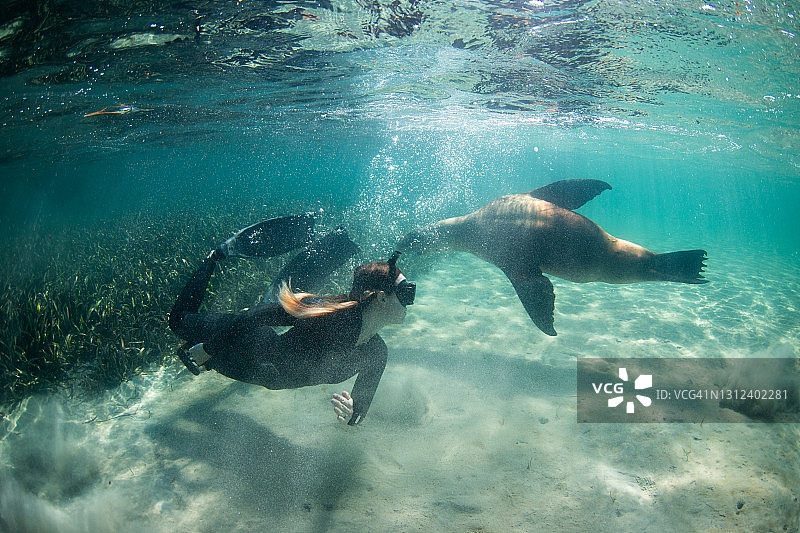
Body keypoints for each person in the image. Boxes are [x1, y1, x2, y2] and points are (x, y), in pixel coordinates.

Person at [168, 215, 416, 426]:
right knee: (178, 322)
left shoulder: (376, 353)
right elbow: (257, 315)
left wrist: (351, 413)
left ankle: (196, 351)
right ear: (380, 298)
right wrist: (209, 348)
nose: (411, 301)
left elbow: (359, 413)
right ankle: (216, 256)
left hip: (263, 376)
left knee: (196, 353)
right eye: (406, 293)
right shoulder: (332, 318)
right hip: (251, 345)